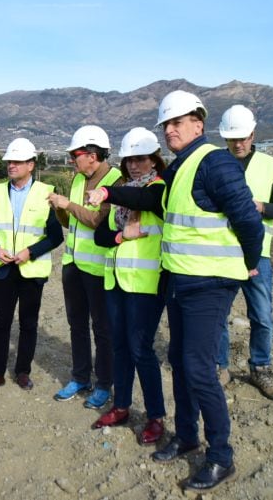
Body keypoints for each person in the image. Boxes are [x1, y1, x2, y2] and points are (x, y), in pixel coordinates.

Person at [86, 91, 263, 491]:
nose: (170, 130)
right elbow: (147, 196)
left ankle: (221, 456)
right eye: (166, 124)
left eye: (178, 122)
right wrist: (111, 192)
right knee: (181, 363)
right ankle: (186, 436)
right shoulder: (181, 168)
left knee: (199, 368)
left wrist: (248, 263)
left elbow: (248, 220)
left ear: (199, 124)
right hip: (182, 280)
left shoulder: (214, 162)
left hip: (211, 283)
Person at [91, 127, 167, 446]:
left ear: (154, 160)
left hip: (147, 285)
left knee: (141, 349)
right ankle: (121, 406)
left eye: (141, 159)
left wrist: (108, 193)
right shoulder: (124, 192)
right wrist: (123, 236)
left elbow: (145, 199)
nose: (134, 165)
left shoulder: (160, 188)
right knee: (119, 346)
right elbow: (101, 237)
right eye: (129, 160)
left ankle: (155, 416)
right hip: (117, 281)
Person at [0, 137, 64, 393]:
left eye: (16, 161)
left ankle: (23, 371)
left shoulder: (45, 193)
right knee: (1, 323)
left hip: (32, 271)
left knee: (28, 323)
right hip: (4, 270)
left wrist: (31, 252)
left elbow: (56, 236)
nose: (11, 165)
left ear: (31, 164)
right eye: (9, 161)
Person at [216, 105, 273, 401]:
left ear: (253, 134)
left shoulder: (271, 166)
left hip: (258, 255)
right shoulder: (215, 163)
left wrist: (260, 207)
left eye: (243, 138)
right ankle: (220, 366)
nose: (238, 144)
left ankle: (260, 367)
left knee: (262, 316)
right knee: (219, 313)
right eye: (232, 139)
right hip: (223, 251)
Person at [47, 125, 122, 409]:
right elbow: (72, 223)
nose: (71, 160)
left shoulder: (115, 180)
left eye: (75, 154)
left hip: (99, 268)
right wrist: (59, 208)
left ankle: (104, 384)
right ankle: (80, 377)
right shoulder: (79, 179)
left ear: (92, 155)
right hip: (74, 265)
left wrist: (68, 203)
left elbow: (95, 221)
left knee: (102, 329)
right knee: (76, 325)